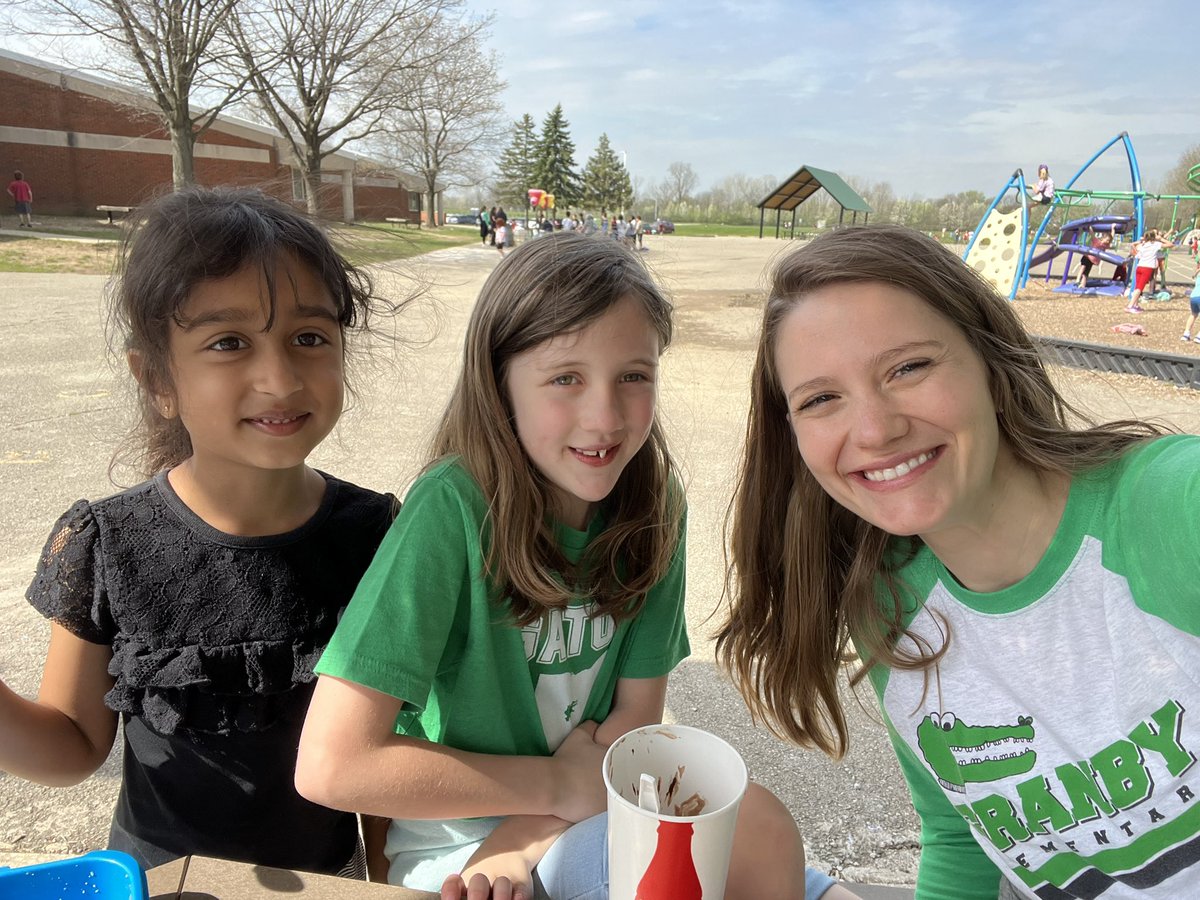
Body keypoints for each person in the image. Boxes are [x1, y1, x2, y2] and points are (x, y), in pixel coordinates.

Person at [296, 232, 852, 900]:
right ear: (499, 382)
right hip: (464, 852)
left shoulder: (652, 502)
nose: (604, 417)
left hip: (595, 803)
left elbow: (636, 716)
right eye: (566, 378)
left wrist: (540, 822)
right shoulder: (454, 509)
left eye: (634, 377)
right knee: (755, 833)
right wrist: (544, 801)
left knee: (790, 862)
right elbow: (332, 765)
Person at [718, 222, 1200, 899]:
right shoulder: (892, 609)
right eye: (821, 399)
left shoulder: (1169, 508)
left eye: (907, 367)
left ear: (990, 358)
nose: (876, 430)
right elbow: (959, 836)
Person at [0, 186, 398, 875]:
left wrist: (393, 883)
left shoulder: (378, 536)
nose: (278, 378)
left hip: (330, 883)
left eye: (309, 337)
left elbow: (388, 755)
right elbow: (70, 747)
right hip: (159, 885)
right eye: (229, 342)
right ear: (157, 376)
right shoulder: (106, 542)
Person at [1127, 228, 1167, 312]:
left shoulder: (1142, 245)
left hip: (1139, 267)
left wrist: (1140, 242)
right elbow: (1170, 244)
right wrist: (1161, 239)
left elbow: (1133, 246)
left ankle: (1136, 305)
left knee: (1137, 287)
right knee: (1140, 288)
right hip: (1147, 268)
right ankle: (1130, 305)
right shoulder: (1155, 244)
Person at [1180, 258, 1200, 342]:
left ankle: (1186, 334)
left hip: (1193, 296)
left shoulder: (1198, 273)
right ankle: (1199, 336)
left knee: (1193, 314)